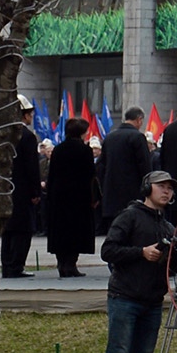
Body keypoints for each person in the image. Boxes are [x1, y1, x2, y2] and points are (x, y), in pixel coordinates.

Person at [95, 168, 176, 353]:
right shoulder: (129, 216)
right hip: (125, 299)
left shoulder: (167, 225)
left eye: (170, 188)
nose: (166, 191)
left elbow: (172, 266)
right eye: (161, 186)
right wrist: (141, 253)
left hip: (152, 302)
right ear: (147, 188)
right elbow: (108, 251)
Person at [43, 118, 100, 277]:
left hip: (59, 197)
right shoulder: (84, 151)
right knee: (76, 231)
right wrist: (93, 197)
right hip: (79, 198)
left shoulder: (58, 150)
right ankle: (71, 264)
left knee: (61, 231)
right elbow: (90, 175)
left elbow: (52, 174)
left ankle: (62, 263)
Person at [3, 96, 42, 279]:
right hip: (23, 190)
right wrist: (36, 191)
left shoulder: (1, 134)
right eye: (29, 113)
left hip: (4, 188)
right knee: (23, 230)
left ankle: (7, 265)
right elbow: (32, 166)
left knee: (8, 230)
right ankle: (16, 266)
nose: (31, 117)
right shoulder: (26, 136)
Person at [97, 108, 152, 232]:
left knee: (115, 231)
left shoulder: (110, 137)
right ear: (139, 120)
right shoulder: (138, 137)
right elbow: (145, 166)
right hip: (132, 193)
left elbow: (101, 166)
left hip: (111, 193)